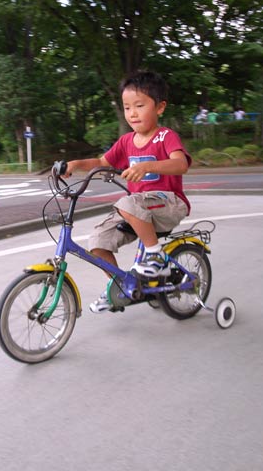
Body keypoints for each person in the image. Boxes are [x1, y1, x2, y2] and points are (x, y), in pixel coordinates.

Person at [63, 71, 191, 313]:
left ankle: (156, 258)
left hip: (169, 203)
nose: (132, 113)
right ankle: (121, 287)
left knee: (127, 202)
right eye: (127, 107)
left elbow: (181, 164)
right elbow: (102, 162)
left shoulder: (165, 136)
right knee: (98, 241)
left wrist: (147, 166)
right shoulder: (126, 141)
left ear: (160, 107)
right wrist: (76, 164)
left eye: (140, 106)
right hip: (137, 208)